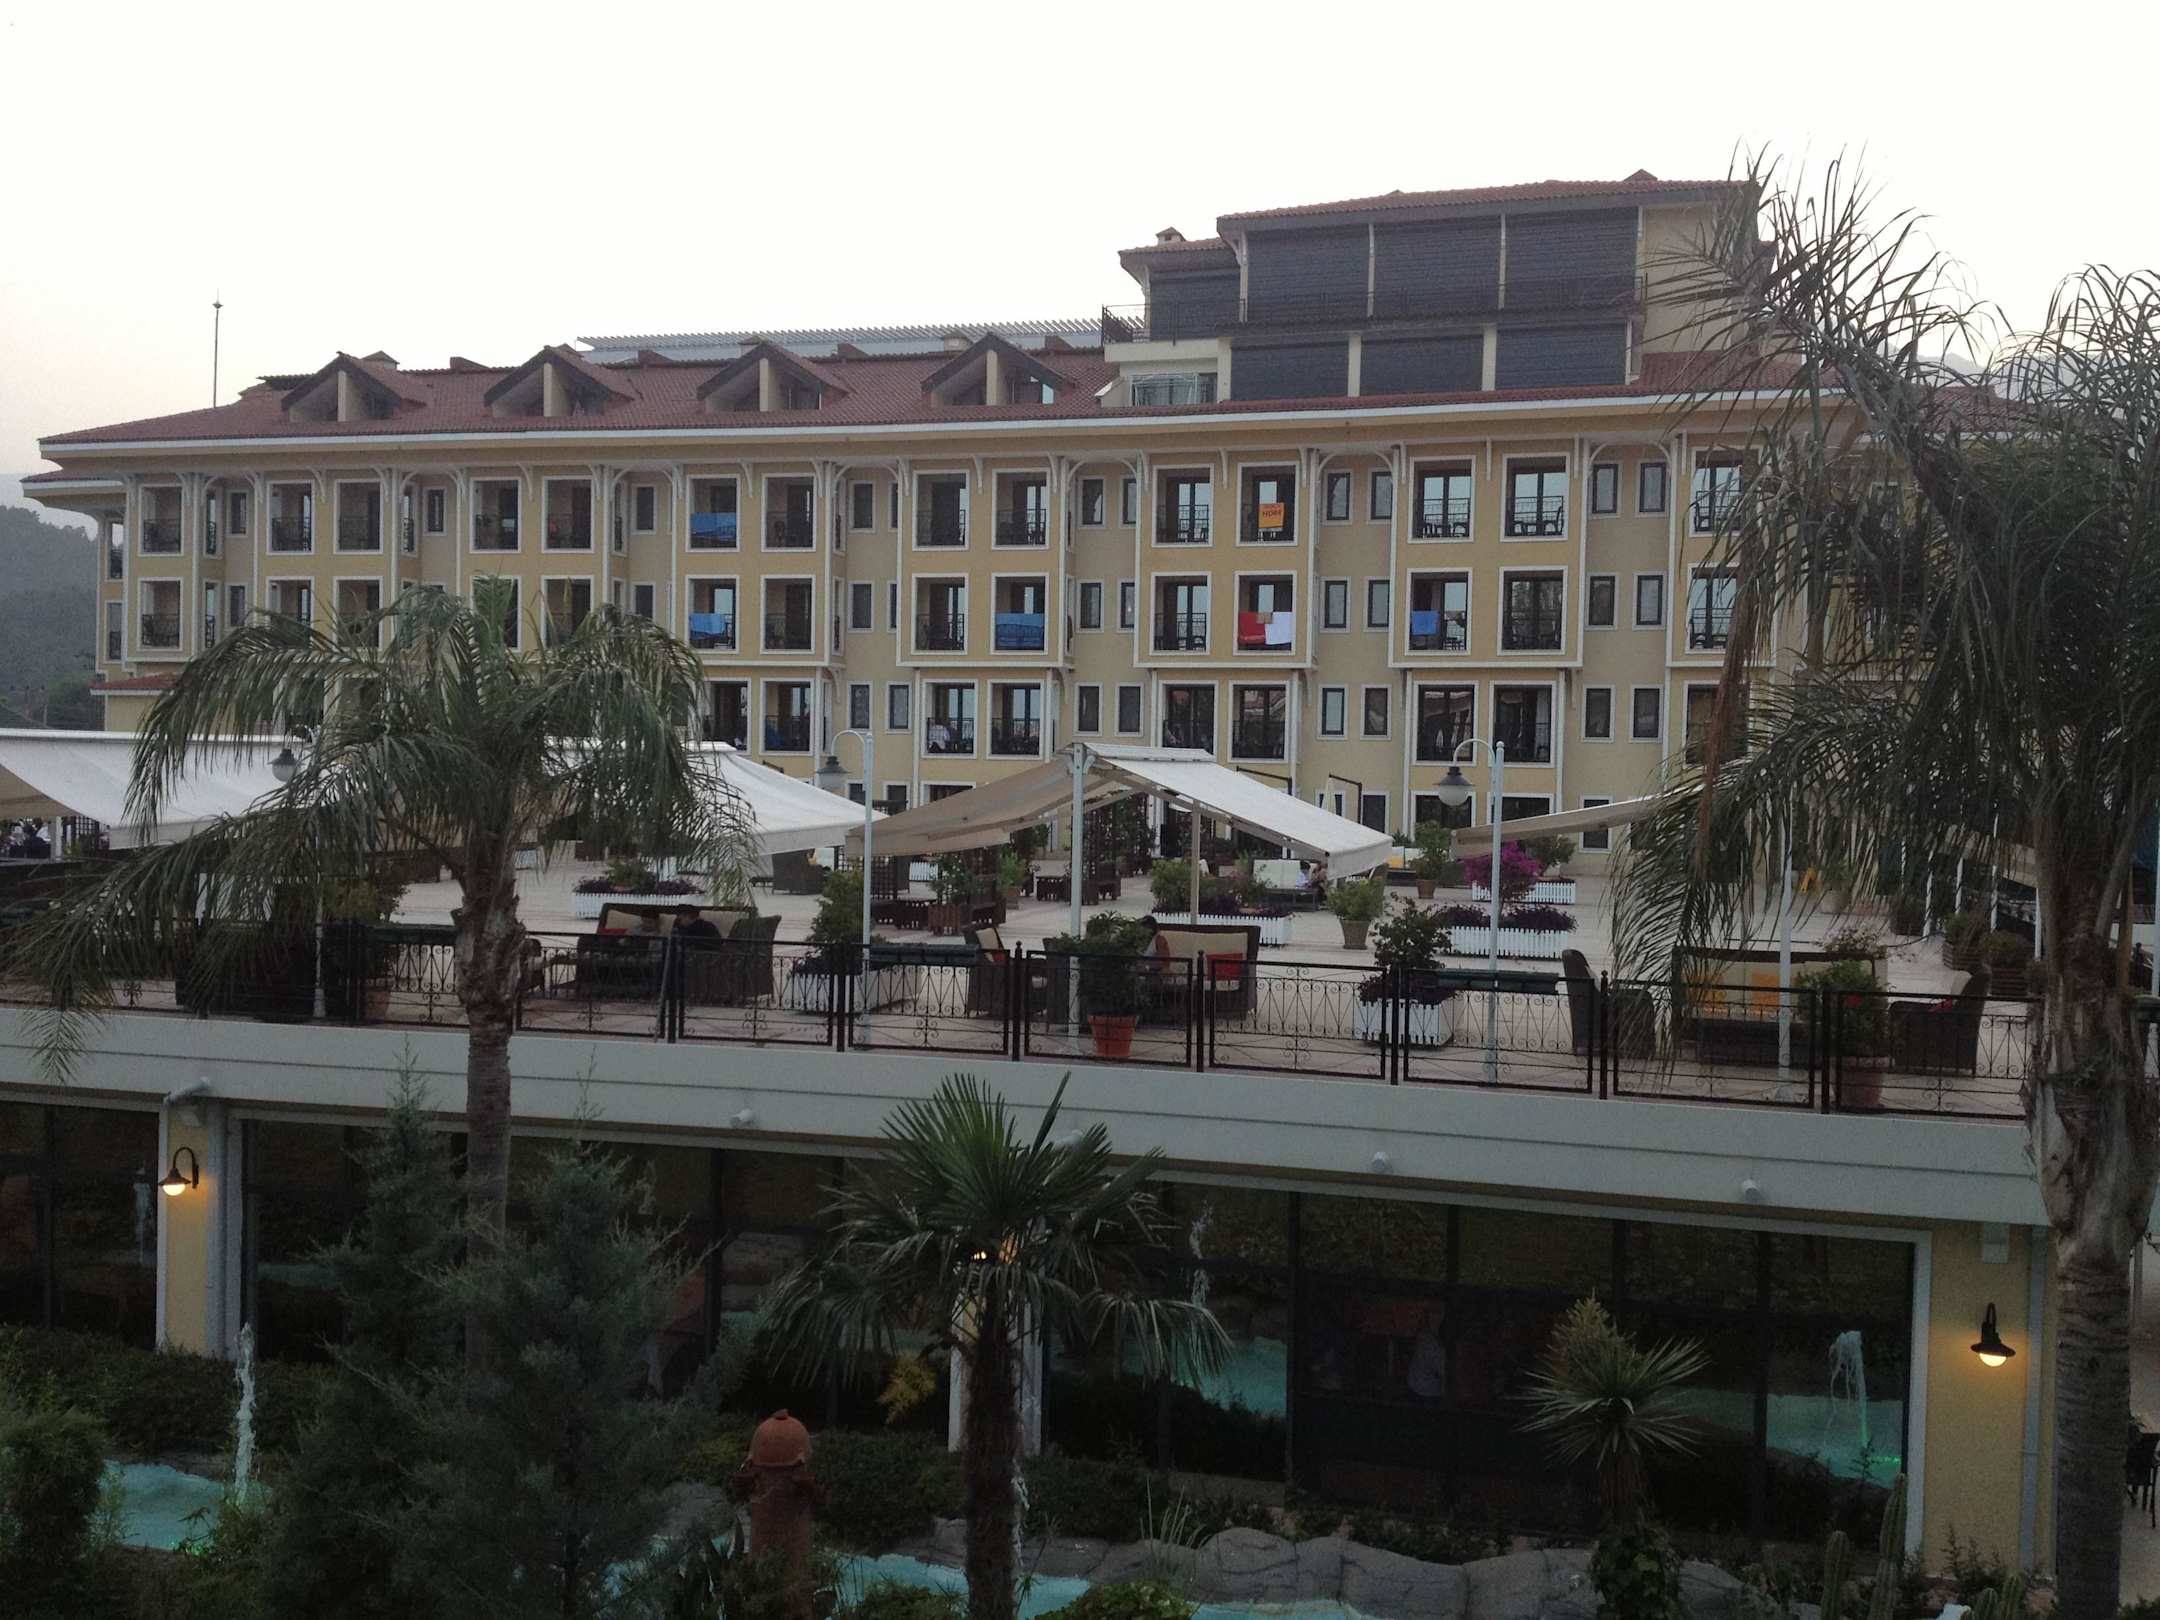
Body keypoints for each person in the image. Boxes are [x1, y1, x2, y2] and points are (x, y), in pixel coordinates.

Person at [1407, 1304, 1448, 1401]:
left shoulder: (1424, 1334)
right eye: (1433, 1312)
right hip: (1427, 1393)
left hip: (1416, 1387)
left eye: (1438, 1312)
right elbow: (1445, 1373)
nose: (1434, 1316)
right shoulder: (1431, 1343)